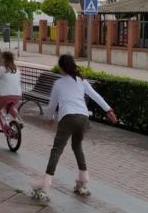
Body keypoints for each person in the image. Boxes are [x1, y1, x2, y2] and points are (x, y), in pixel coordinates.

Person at [32, 54, 118, 201]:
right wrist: (109, 110)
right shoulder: (81, 81)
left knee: (57, 150)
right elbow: (96, 96)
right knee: (77, 146)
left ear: (61, 68)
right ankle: (83, 182)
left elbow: (52, 105)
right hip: (83, 118)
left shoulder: (59, 83)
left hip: (68, 117)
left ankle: (45, 185)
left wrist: (49, 118)